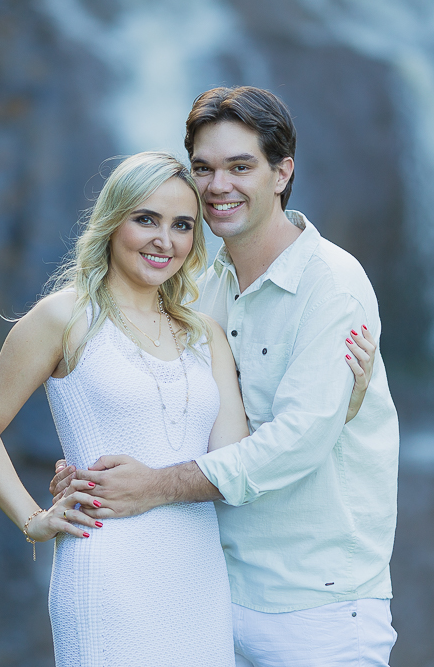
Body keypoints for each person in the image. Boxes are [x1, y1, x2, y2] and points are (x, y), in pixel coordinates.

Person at [0, 151, 375, 667]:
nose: (165, 240)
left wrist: (340, 407)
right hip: (108, 571)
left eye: (182, 225)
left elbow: (238, 459)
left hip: (199, 579)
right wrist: (34, 519)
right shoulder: (64, 317)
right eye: (146, 219)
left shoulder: (206, 334)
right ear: (113, 221)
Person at [55, 87, 400, 667]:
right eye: (204, 169)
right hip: (207, 594)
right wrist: (88, 474)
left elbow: (298, 440)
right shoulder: (198, 291)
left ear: (281, 174)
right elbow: (161, 405)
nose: (218, 186)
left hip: (315, 607)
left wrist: (155, 485)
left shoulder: (332, 285)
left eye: (240, 167)